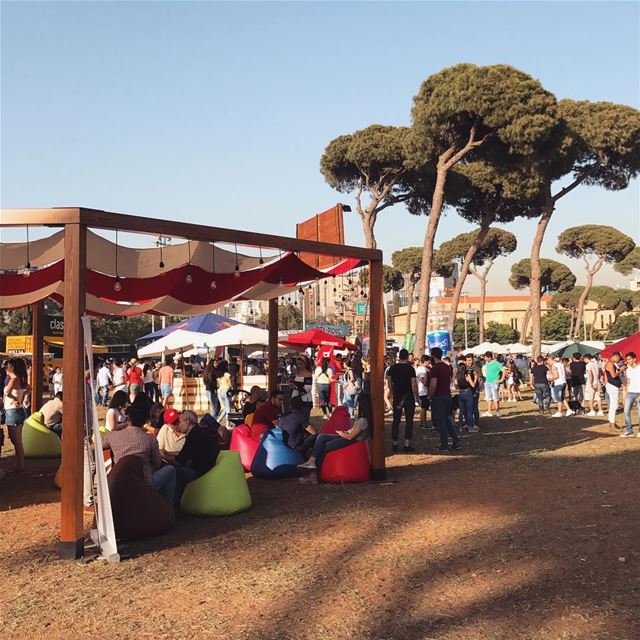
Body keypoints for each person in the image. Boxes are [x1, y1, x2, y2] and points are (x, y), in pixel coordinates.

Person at [102, 403, 176, 505]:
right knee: (171, 470)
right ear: (146, 421)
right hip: (145, 484)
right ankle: (167, 506)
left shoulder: (113, 436)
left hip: (121, 482)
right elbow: (157, 464)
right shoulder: (150, 439)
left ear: (128, 419)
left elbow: (99, 445)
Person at [298, 394, 371, 484]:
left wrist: (341, 433)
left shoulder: (363, 421)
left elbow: (350, 437)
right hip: (347, 437)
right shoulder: (363, 420)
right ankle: (312, 461)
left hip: (349, 441)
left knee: (322, 448)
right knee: (321, 437)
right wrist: (343, 432)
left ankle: (314, 475)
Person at [172, 410, 220, 503]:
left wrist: (163, 456)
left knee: (173, 470)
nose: (179, 425)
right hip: (211, 468)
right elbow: (185, 454)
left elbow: (180, 460)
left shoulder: (192, 437)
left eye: (180, 422)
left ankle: (174, 502)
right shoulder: (200, 431)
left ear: (187, 422)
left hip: (202, 473)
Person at [0, 357, 31, 478]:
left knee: (15, 441)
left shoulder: (13, 379)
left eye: (8, 366)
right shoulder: (22, 378)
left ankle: (20, 466)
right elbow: (29, 388)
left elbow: (7, 392)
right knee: (18, 441)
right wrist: (22, 397)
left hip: (12, 411)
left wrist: (14, 399)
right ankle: (20, 464)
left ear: (12, 367)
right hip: (18, 411)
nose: (6, 368)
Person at [386, 348, 419, 453]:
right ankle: (407, 444)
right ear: (407, 357)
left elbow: (389, 383)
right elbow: (414, 384)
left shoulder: (392, 368)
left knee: (396, 420)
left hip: (397, 396)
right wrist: (417, 397)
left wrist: (391, 393)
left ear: (399, 356)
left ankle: (394, 443)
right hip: (408, 396)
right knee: (409, 421)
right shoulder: (410, 369)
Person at [429, 347, 461, 451]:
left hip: (439, 396)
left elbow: (433, 384)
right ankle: (456, 441)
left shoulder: (435, 368)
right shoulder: (447, 367)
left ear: (433, 355)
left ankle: (444, 444)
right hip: (447, 395)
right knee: (447, 419)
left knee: (440, 421)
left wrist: (430, 396)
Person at [456, 355, 478, 432]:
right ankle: (471, 427)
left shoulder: (457, 375)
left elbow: (455, 384)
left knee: (461, 411)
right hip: (467, 391)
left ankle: (461, 426)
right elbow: (473, 385)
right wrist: (475, 378)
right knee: (469, 410)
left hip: (461, 392)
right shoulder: (467, 375)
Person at [291, 355, 313, 422]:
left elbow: (307, 388)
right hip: (296, 399)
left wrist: (296, 387)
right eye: (298, 364)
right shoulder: (297, 373)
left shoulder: (308, 374)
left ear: (305, 363)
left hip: (305, 400)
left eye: (301, 363)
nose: (299, 365)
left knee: (304, 420)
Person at [482, 352, 504, 417]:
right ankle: (489, 411)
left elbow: (503, 370)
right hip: (487, 382)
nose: (485, 359)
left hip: (494, 383)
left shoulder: (497, 363)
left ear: (489, 357)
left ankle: (497, 411)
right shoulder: (487, 363)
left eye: (486, 357)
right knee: (488, 398)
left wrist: (501, 379)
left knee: (495, 398)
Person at [415, 355, 431, 429]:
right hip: (423, 390)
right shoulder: (422, 369)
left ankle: (422, 422)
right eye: (428, 362)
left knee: (423, 407)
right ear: (424, 362)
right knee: (424, 408)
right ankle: (424, 423)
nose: (429, 363)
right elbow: (423, 381)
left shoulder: (420, 368)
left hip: (421, 390)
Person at [215, 362, 232, 426]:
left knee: (225, 408)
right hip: (226, 390)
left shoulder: (218, 375)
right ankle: (227, 424)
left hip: (220, 391)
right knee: (228, 409)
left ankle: (218, 420)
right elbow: (230, 383)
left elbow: (218, 384)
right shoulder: (226, 374)